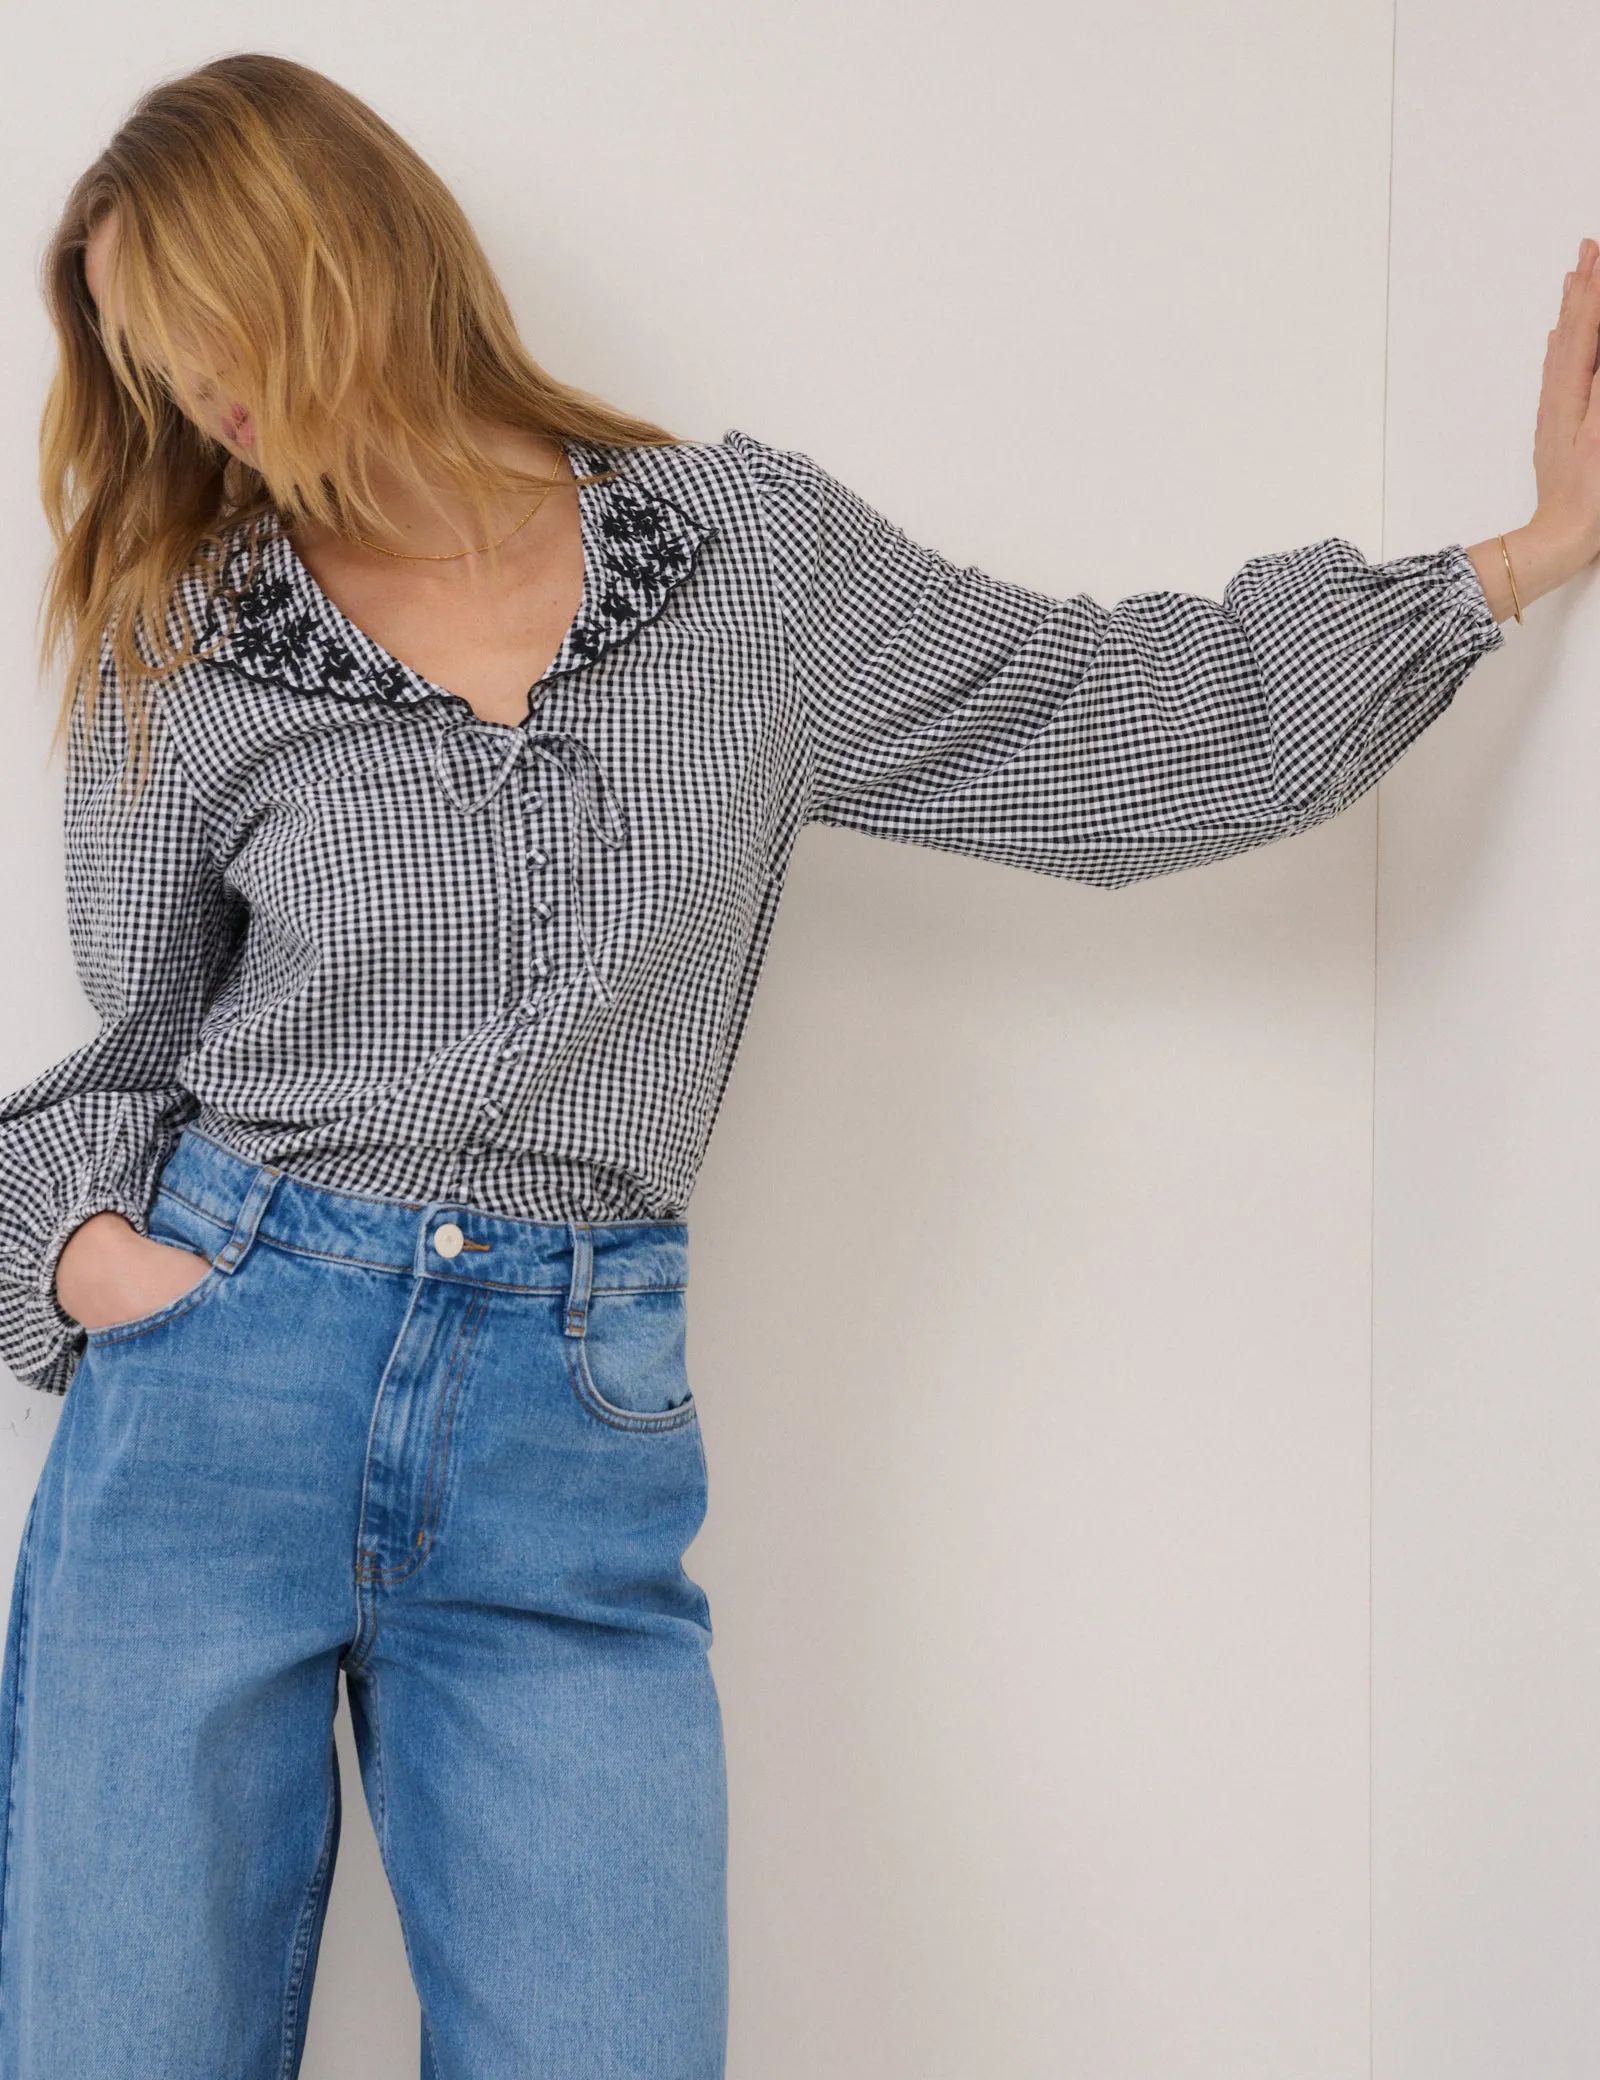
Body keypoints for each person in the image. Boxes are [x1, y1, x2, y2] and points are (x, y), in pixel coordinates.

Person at [0, 47, 1595, 2080]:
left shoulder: (737, 562)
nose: (207, 398)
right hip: (223, 1374)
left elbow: (1096, 715)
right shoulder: (184, 642)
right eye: (158, 364)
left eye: (214, 324)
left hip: (560, 1419)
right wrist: (90, 1265)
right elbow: (128, 1052)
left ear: (342, 250)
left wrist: (1511, 561)